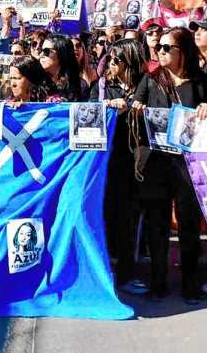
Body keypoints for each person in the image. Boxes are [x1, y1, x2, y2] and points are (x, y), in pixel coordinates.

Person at [132, 27, 207, 303]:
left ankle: (190, 285)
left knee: (188, 225)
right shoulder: (151, 79)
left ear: (183, 52)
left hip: (189, 165)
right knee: (157, 225)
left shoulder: (203, 82)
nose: (160, 52)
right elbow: (135, 109)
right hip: (157, 163)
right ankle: (157, 283)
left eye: (167, 48)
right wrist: (136, 108)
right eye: (160, 47)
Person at [93, 39, 148, 294]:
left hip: (137, 163)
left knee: (130, 219)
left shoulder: (146, 85)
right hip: (107, 163)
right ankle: (109, 270)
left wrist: (139, 109)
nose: (111, 65)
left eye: (117, 60)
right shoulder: (103, 87)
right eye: (110, 60)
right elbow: (87, 112)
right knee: (108, 216)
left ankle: (128, 272)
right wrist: (106, 106)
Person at [38, 34, 84, 101]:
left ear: (61, 54)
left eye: (46, 51)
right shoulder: (35, 82)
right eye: (41, 50)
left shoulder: (80, 85)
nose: (41, 55)